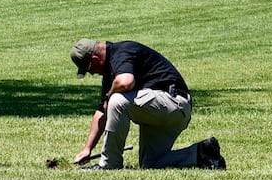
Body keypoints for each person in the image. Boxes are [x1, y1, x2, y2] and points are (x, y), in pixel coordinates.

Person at [69, 39, 225, 170]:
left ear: (95, 59)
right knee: (150, 164)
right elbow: (102, 112)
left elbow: (126, 82)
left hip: (173, 102)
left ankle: (109, 165)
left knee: (117, 100)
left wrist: (110, 96)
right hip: (165, 110)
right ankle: (202, 152)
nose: (92, 73)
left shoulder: (121, 53)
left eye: (89, 70)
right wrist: (87, 149)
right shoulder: (111, 73)